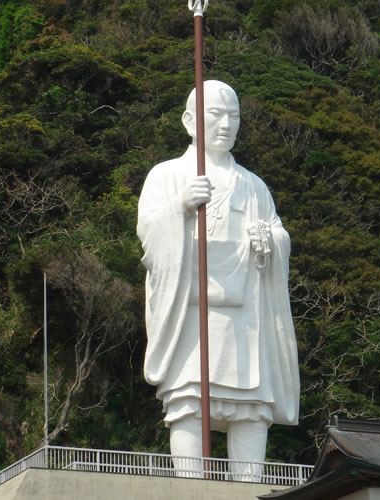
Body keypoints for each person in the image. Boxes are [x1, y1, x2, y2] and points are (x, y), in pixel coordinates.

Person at [137, 80, 299, 479]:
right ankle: (191, 487)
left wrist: (268, 242)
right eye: (216, 114)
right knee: (190, 402)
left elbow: (278, 235)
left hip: (244, 317)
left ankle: (249, 488)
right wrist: (181, 207)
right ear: (190, 120)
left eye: (234, 116)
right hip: (190, 313)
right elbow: (148, 236)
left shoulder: (254, 185)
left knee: (250, 409)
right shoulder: (168, 175)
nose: (226, 124)